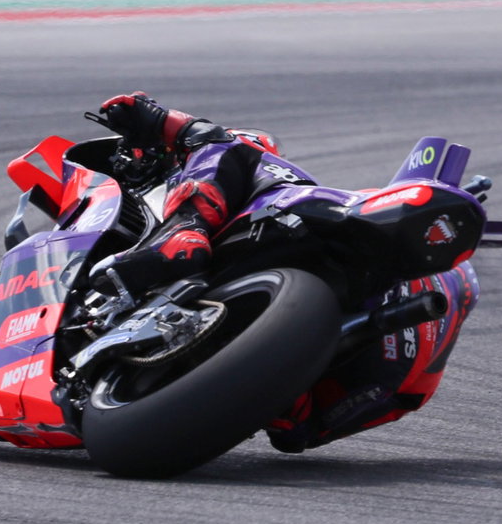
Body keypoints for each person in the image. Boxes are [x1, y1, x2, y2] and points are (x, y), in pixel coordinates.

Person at [93, 91, 474, 454]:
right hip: (347, 389)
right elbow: (299, 440)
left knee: (233, 148)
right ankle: (285, 402)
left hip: (345, 331)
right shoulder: (426, 346)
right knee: (299, 428)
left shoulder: (265, 167)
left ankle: (184, 231)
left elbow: (223, 143)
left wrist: (161, 118)